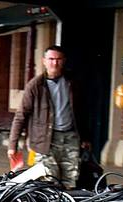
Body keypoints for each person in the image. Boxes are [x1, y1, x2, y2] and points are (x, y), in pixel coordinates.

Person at [7, 46, 90, 187]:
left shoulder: (73, 82)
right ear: (44, 61)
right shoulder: (35, 85)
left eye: (58, 59)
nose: (55, 63)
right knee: (49, 178)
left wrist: (86, 137)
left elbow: (82, 111)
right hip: (44, 140)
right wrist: (12, 145)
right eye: (51, 59)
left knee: (71, 177)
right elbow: (21, 115)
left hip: (70, 138)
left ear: (64, 61)